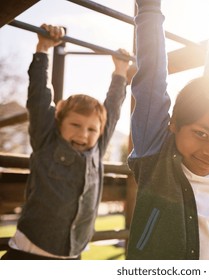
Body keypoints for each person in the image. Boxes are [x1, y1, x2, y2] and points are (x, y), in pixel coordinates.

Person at [126, 0, 209, 260]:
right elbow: (150, 79)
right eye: (201, 134)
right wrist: (149, 9)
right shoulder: (157, 156)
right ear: (173, 124)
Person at [1, 24, 129, 260]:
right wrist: (43, 49)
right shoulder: (47, 140)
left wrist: (120, 71)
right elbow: (39, 96)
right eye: (75, 125)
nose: (83, 135)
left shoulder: (97, 149)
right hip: (30, 251)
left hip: (72, 254)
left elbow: (113, 108)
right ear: (59, 124)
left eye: (92, 129)